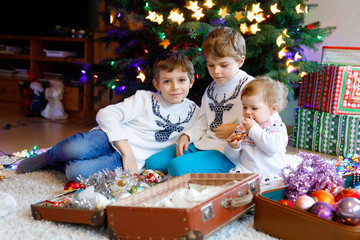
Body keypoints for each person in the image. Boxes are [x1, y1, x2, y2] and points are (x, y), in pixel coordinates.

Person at [16, 50, 200, 181]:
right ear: (157, 84)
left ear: (191, 81)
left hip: (124, 162)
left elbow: (204, 134)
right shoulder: (144, 99)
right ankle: (48, 157)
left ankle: (58, 165)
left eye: (181, 80)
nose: (175, 87)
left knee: (76, 173)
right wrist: (126, 150)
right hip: (109, 138)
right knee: (75, 148)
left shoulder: (196, 113)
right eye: (167, 81)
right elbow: (106, 114)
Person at [146, 26, 254, 176]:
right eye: (210, 65)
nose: (216, 71)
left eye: (223, 65)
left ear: (240, 61)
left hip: (230, 151)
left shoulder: (251, 87)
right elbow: (204, 119)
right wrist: (187, 136)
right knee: (154, 163)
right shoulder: (212, 88)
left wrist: (236, 130)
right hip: (205, 143)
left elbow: (265, 123)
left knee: (176, 167)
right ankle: (195, 162)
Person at [224, 75, 289, 191]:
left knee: (277, 189)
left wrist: (254, 129)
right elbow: (233, 158)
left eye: (254, 108)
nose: (248, 112)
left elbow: (273, 148)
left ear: (273, 109)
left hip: (271, 174)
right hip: (246, 172)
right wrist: (233, 147)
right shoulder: (241, 128)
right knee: (230, 187)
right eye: (245, 107)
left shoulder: (276, 127)